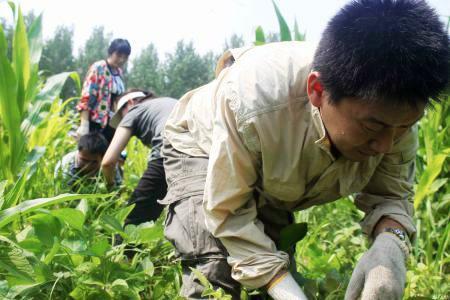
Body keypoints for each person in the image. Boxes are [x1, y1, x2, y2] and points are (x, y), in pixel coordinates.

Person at [160, 0, 449, 299]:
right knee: (216, 272)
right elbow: (228, 214)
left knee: (271, 269)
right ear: (317, 91)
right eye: (373, 127)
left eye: (403, 127)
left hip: (268, 167)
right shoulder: (254, 101)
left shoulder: (393, 118)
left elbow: (390, 196)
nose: (386, 145)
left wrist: (391, 246)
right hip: (200, 145)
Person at [101, 90, 178, 225]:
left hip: (169, 152)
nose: (123, 119)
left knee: (133, 223)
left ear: (130, 103)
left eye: (121, 115)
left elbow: (108, 162)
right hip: (207, 154)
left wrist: (110, 187)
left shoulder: (134, 110)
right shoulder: (169, 102)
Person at [76, 38, 131, 143]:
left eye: (125, 57)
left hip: (111, 125)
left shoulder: (119, 73)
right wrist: (84, 124)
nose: (121, 60)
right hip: (95, 123)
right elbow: (87, 96)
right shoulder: (99, 67)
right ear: (111, 52)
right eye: (119, 55)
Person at [55, 132, 122, 190]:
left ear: (103, 158)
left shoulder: (108, 165)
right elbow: (62, 190)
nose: (87, 166)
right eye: (84, 160)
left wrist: (109, 182)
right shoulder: (65, 164)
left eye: (94, 162)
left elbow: (117, 191)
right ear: (78, 152)